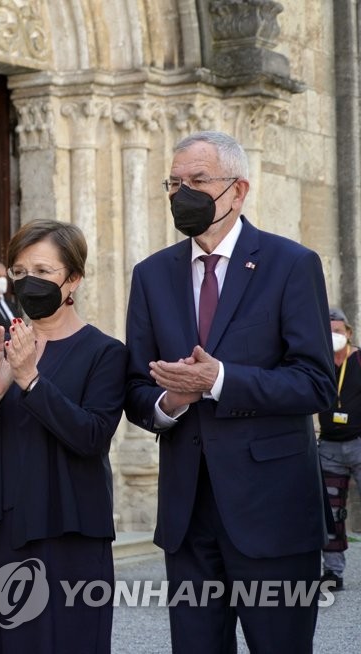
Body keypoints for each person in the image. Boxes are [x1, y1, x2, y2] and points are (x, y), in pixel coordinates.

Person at [125, 131, 336, 653]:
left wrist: (218, 381)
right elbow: (134, 388)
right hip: (188, 514)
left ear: (238, 192)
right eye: (174, 184)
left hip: (273, 511)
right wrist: (170, 402)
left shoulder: (291, 264)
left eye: (197, 181)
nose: (182, 194)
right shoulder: (151, 275)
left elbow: (315, 383)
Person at [0, 220, 126, 653]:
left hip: (67, 531)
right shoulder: (0, 345)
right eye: (21, 272)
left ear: (73, 279)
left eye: (44, 271)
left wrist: (31, 380)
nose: (30, 282)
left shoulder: (105, 353)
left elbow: (91, 436)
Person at [318, 307, 361, 591]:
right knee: (330, 514)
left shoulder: (358, 360)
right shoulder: (318, 362)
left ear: (348, 333)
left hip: (359, 443)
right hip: (329, 448)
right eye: (328, 330)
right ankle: (333, 572)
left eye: (338, 330)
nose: (333, 335)